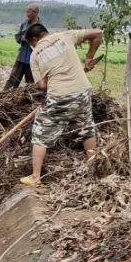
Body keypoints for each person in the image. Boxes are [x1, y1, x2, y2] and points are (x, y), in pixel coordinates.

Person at [20, 24, 103, 187]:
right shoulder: (66, 35)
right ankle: (93, 168)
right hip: (83, 91)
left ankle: (35, 177)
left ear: (35, 39)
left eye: (31, 44)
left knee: (40, 132)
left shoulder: (35, 55)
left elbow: (41, 85)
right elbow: (97, 33)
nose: (33, 47)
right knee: (86, 127)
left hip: (60, 95)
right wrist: (89, 57)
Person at [6, 3, 43, 90]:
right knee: (13, 78)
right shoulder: (24, 24)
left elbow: (43, 41)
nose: (26, 14)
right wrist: (23, 38)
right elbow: (18, 36)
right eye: (26, 12)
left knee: (31, 82)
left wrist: (33, 40)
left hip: (33, 58)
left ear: (35, 13)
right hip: (22, 56)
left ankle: (31, 97)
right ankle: (5, 94)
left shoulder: (41, 26)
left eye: (28, 12)